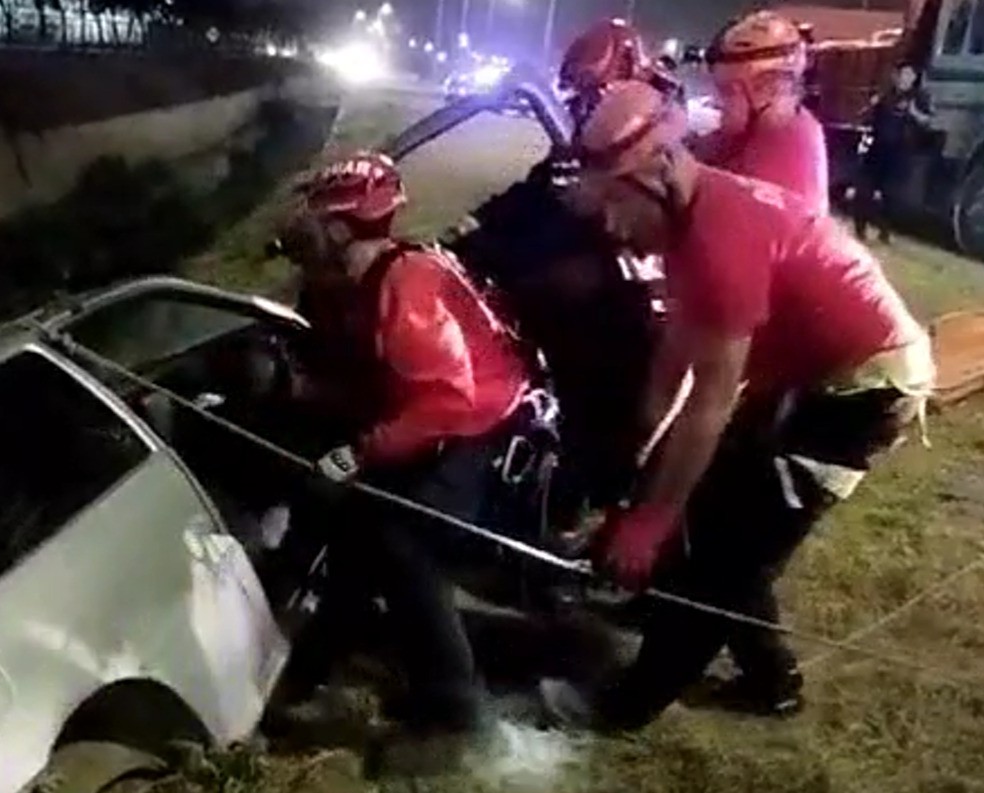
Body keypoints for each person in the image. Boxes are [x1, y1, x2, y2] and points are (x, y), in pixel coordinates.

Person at [540, 81, 935, 730]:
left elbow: (709, 404)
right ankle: (767, 678)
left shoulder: (720, 241)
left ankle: (624, 707)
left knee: (726, 556)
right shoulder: (691, 216)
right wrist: (642, 457)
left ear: (658, 175)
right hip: (809, 374)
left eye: (614, 204)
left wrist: (647, 521)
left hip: (865, 390)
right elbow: (676, 353)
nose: (610, 227)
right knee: (721, 517)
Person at [272, 151, 532, 741]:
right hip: (446, 415)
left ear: (342, 228)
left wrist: (357, 453)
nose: (301, 232)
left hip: (482, 427)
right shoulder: (357, 281)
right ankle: (314, 666)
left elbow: (445, 401)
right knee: (361, 534)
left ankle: (456, 716)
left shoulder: (406, 284)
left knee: (405, 544)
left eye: (316, 220)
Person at [694, 10, 829, 214]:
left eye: (728, 91)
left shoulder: (786, 148)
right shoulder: (762, 128)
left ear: (768, 88)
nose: (719, 104)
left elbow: (725, 218)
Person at [855, 62, 935, 244]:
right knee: (864, 191)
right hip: (877, 149)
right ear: (896, 76)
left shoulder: (919, 98)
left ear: (914, 78)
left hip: (900, 152)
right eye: (903, 74)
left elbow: (928, 122)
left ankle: (885, 232)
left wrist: (914, 113)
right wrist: (871, 106)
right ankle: (860, 230)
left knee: (891, 196)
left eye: (910, 75)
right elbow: (865, 115)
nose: (906, 79)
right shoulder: (886, 94)